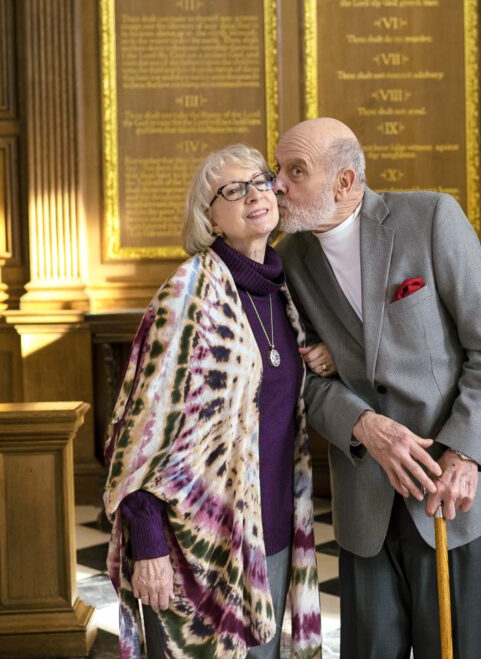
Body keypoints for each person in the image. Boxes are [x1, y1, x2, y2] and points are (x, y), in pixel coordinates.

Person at [274, 117, 481, 658]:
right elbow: (302, 382)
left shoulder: (431, 218)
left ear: (345, 182)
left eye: (295, 171)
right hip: (365, 494)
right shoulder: (290, 259)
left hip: (456, 491)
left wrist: (462, 454)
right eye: (279, 169)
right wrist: (364, 424)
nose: (278, 184)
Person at [103, 144, 332, 658]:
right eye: (234, 190)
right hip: (196, 543)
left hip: (269, 528)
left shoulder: (282, 289)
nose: (255, 194)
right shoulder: (187, 295)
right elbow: (138, 437)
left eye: (259, 180)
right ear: (209, 217)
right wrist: (149, 548)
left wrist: (324, 355)